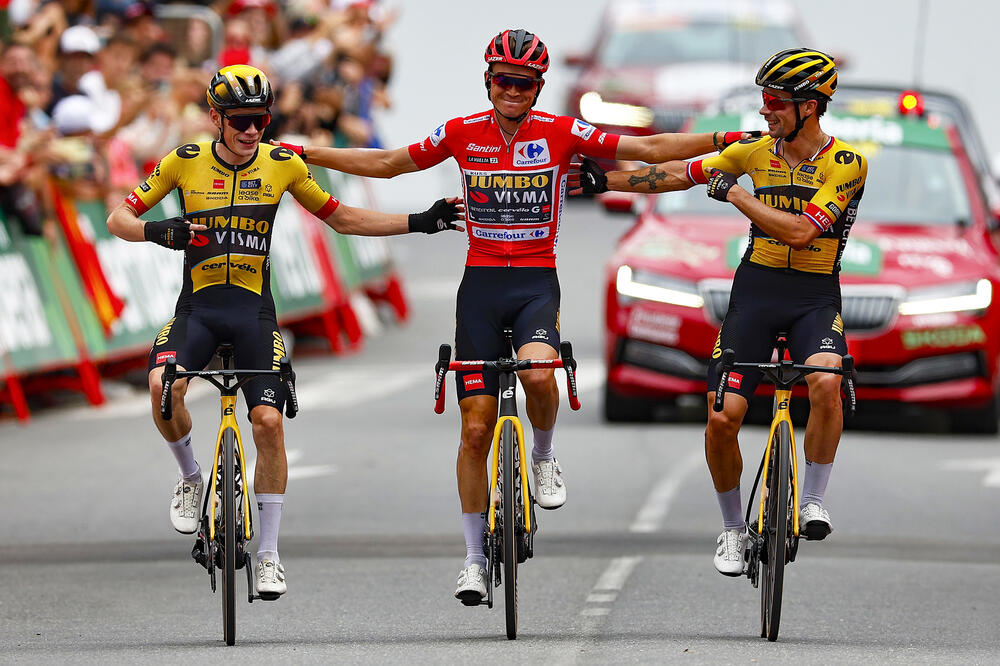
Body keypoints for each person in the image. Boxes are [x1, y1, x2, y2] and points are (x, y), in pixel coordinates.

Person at [274, 28, 756, 603]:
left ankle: (545, 455)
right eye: (504, 81)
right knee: (475, 428)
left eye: (524, 84)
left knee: (537, 373)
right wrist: (305, 152)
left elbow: (647, 151)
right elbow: (386, 162)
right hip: (478, 287)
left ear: (538, 88)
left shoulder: (561, 130)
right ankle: (475, 559)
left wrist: (728, 138)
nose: (513, 91)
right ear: (489, 81)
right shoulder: (460, 132)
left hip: (534, 285)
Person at [106, 64, 463, 599]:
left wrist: (419, 220)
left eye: (261, 120)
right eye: (241, 121)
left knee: (269, 422)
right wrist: (161, 230)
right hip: (198, 310)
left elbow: (342, 219)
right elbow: (118, 219)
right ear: (215, 118)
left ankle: (268, 554)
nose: (253, 131)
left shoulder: (281, 164)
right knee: (162, 386)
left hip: (254, 313)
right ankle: (190, 479)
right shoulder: (183, 163)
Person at [570, 48, 867, 577]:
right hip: (756, 292)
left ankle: (814, 499)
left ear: (812, 106)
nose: (765, 111)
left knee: (824, 383)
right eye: (763, 100)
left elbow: (803, 231)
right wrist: (603, 182)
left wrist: (735, 197)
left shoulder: (846, 163)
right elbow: (674, 175)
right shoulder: (753, 152)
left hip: (815, 297)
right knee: (721, 419)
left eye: (775, 102)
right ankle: (732, 528)